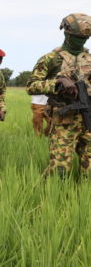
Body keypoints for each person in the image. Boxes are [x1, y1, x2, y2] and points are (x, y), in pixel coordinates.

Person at [26, 13, 91, 176]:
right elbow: (31, 86)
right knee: (60, 171)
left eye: (85, 38)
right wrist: (57, 84)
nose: (81, 41)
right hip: (64, 120)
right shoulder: (51, 59)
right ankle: (44, 191)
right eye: (78, 38)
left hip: (88, 118)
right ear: (67, 33)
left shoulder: (89, 59)